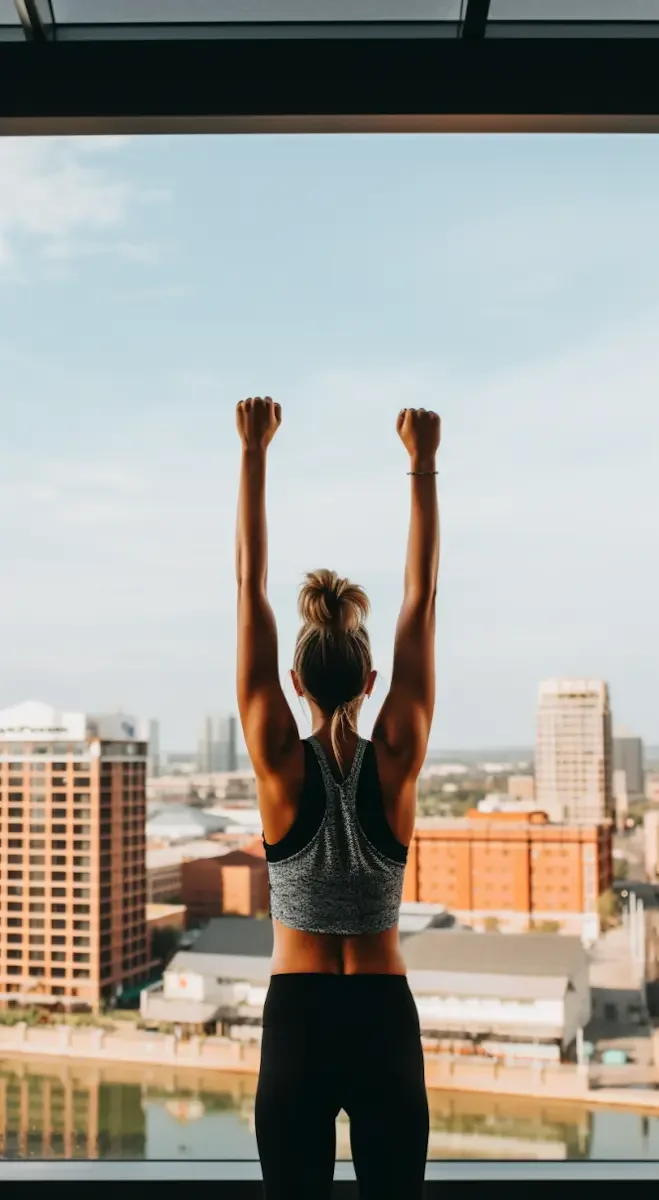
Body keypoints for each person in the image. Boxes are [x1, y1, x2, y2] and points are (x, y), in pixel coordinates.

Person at [235, 396, 440, 1200]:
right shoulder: (397, 758)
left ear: (293, 682)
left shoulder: (278, 766)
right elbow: (419, 602)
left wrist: (254, 451)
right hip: (384, 1020)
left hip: (297, 1020)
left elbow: (249, 586)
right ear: (369, 679)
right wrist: (421, 463)